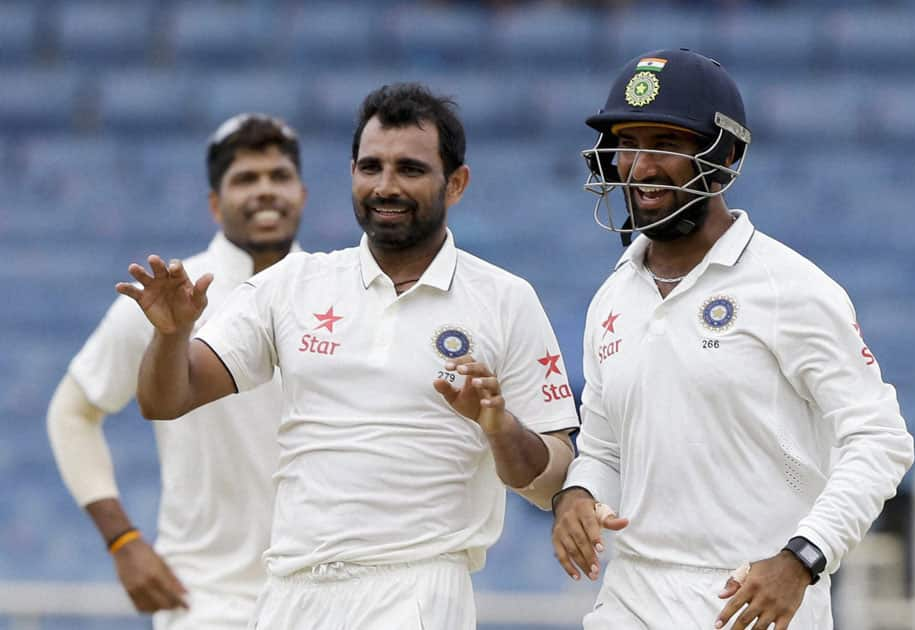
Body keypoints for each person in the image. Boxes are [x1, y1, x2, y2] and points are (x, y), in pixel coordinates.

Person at [115, 82, 579, 630]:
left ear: (456, 183)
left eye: (409, 169)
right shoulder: (295, 283)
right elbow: (166, 398)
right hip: (291, 590)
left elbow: (553, 477)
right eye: (370, 167)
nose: (385, 186)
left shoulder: (505, 299)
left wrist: (500, 429)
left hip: (414, 592)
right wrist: (171, 335)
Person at [550, 48, 915, 630]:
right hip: (633, 596)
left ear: (722, 158)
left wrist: (804, 557)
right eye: (628, 143)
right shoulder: (613, 298)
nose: (640, 167)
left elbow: (881, 439)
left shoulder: (790, 288)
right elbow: (603, 446)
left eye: (666, 144)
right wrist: (575, 494)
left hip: (754, 598)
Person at [47, 113, 308, 629]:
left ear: (301, 192)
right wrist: (123, 541)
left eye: (279, 177)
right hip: (208, 600)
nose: (265, 192)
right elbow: (70, 414)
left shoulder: (338, 294)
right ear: (215, 203)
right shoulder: (165, 299)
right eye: (245, 179)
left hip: (327, 598)